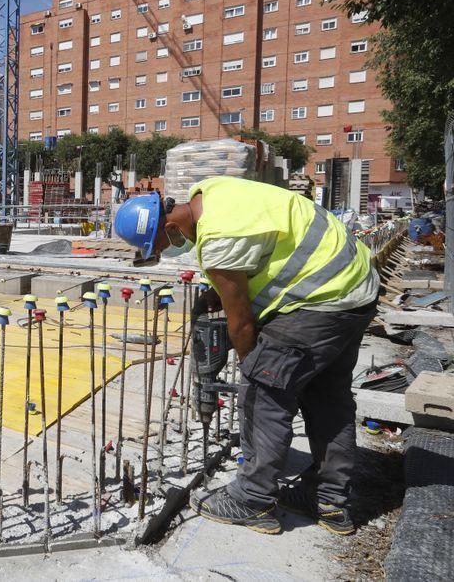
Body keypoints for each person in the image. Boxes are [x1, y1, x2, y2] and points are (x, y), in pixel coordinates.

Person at [112, 176, 379, 536]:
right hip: (355, 287)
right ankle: (329, 501)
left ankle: (252, 500)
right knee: (327, 396)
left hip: (317, 300)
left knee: (260, 395)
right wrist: (221, 289)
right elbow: (265, 247)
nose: (171, 249)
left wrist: (256, 366)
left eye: (163, 244)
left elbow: (240, 323)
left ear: (171, 225)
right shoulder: (211, 190)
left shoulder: (219, 241)